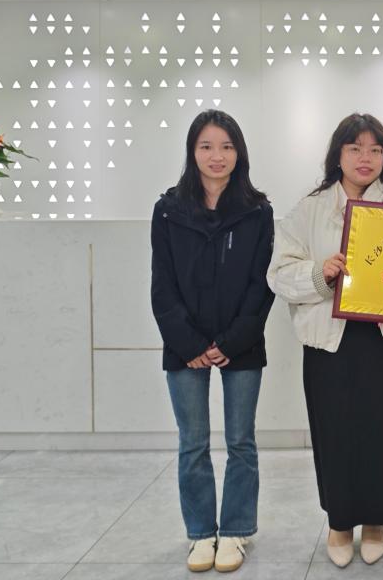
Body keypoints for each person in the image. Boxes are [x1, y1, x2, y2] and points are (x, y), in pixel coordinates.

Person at [267, 113, 383, 568]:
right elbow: (279, 273)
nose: (365, 158)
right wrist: (320, 273)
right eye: (355, 148)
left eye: (375, 149)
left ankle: (376, 521)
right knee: (335, 432)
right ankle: (339, 522)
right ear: (338, 155)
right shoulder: (310, 209)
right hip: (329, 341)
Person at [151, 109, 275, 573]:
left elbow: (261, 285)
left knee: (241, 441)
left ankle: (237, 530)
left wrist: (232, 340)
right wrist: (191, 345)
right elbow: (162, 285)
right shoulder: (168, 210)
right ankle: (201, 534)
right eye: (206, 146)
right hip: (185, 346)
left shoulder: (257, 211)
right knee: (193, 443)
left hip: (241, 342)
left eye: (226, 146)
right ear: (192, 152)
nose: (216, 156)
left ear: (239, 152)